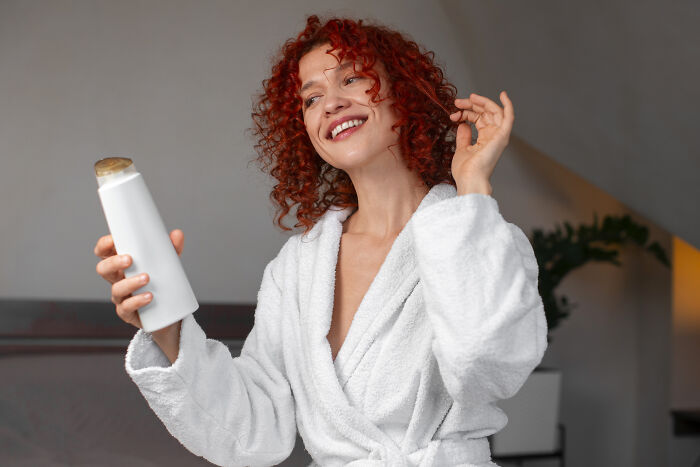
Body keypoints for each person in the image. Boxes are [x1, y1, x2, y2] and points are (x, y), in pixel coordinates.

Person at [94, 15, 547, 467]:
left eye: (350, 78)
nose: (330, 103)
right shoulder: (298, 269)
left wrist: (470, 192)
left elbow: (486, 364)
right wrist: (167, 329)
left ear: (403, 94)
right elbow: (256, 430)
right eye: (311, 98)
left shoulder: (484, 240)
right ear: (305, 133)